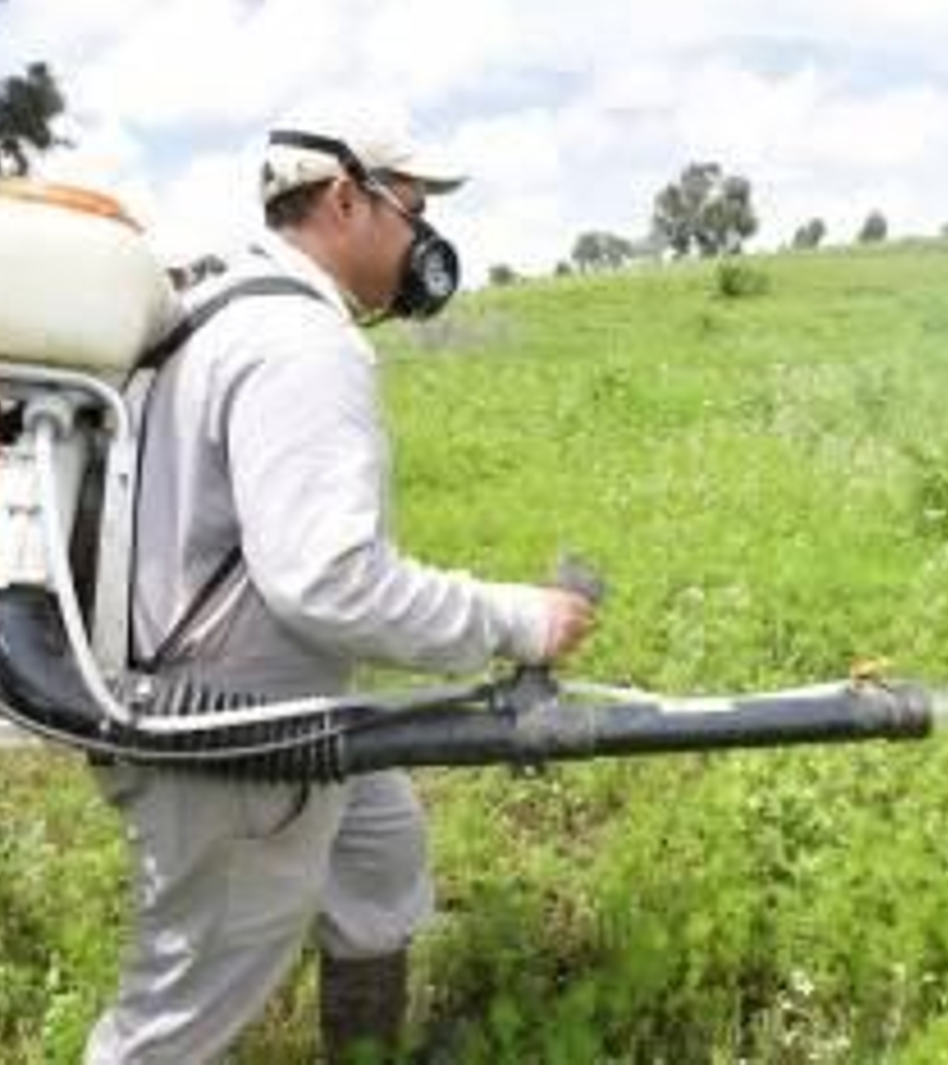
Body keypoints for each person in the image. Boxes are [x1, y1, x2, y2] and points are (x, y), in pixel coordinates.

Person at [84, 121, 596, 1064]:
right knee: (177, 1018)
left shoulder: (227, 302)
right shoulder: (300, 340)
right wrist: (521, 617)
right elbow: (328, 581)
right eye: (416, 209)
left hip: (279, 705)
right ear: (345, 197)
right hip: (230, 731)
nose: (425, 239)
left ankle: (361, 1050)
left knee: (379, 852)